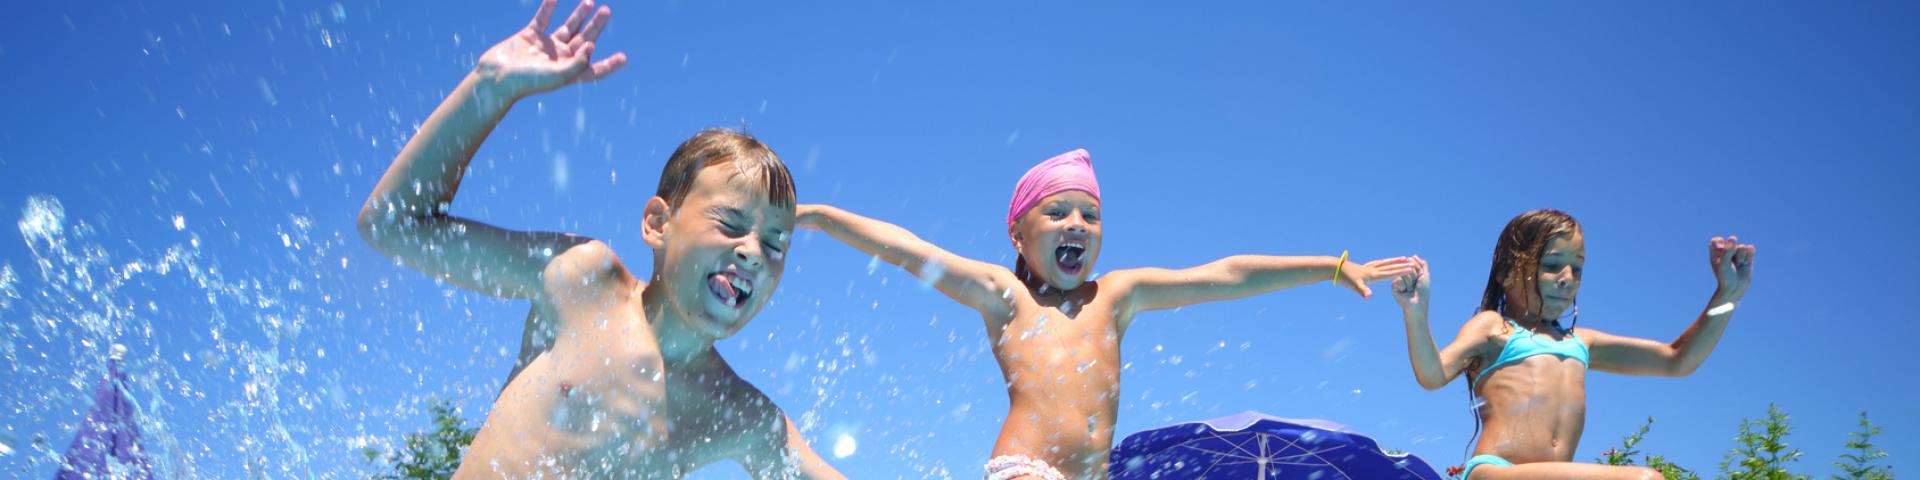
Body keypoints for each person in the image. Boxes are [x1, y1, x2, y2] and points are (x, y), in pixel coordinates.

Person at [356, 1, 842, 477]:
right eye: (731, 224)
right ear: (657, 224)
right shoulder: (584, 282)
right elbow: (393, 225)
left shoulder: (738, 414)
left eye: (776, 245)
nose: (754, 253)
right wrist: (490, 88)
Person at [796, 148, 1416, 479]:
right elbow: (909, 249)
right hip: (1023, 472)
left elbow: (1226, 275)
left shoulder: (1115, 296)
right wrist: (822, 218)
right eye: (1058, 211)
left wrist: (1332, 267)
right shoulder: (1004, 297)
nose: (1077, 225)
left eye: (1089, 215)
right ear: (1017, 232)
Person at [1390, 209, 1755, 480]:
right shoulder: (1493, 327)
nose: (1567, 278)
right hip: (1496, 473)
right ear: (1505, 274)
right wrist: (1417, 314)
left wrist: (1728, 296)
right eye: (1552, 265)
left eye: (1577, 268)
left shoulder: (1583, 342)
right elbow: (1432, 374)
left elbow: (1678, 360)